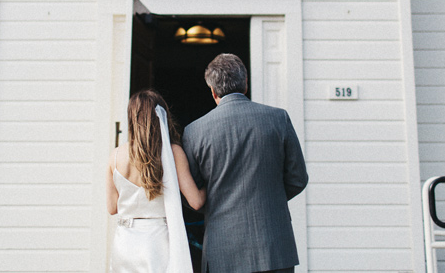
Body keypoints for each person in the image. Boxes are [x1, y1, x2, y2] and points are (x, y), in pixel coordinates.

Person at [182, 53, 308, 273]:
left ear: (212, 91)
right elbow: (298, 179)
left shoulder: (194, 132)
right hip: (274, 246)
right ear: (245, 84)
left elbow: (193, 197)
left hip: (223, 249)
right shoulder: (278, 118)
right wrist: (270, 199)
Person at [107, 89, 206, 273]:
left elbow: (112, 207)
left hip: (124, 243)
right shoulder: (172, 153)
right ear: (161, 117)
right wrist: (210, 182)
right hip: (155, 243)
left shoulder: (115, 156)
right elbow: (196, 201)